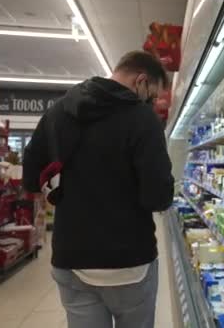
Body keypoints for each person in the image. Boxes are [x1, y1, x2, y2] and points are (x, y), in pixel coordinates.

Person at [23, 51, 174, 328]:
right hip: (129, 262)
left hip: (72, 257)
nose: (152, 101)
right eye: (152, 94)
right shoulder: (142, 119)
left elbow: (32, 177)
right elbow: (158, 197)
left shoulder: (58, 112)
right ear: (141, 80)